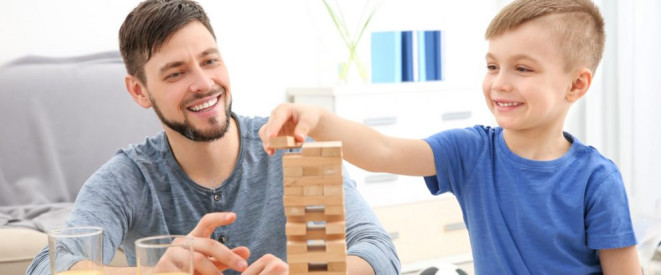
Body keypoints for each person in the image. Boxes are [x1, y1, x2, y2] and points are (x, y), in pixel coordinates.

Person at [260, 0, 641, 273]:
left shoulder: (597, 180)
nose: (499, 83)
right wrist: (318, 119)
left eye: (522, 68)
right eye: (492, 65)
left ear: (576, 84)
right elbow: (384, 152)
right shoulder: (472, 151)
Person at [26, 0, 400, 274]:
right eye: (175, 73)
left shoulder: (291, 149)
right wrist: (147, 274)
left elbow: (380, 250)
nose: (204, 84)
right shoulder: (127, 179)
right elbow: (48, 265)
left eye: (209, 61)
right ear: (139, 91)